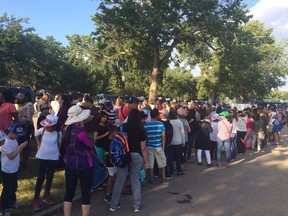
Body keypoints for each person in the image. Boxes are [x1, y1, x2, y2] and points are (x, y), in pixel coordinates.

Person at [110, 109, 148, 213]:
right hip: (136, 155)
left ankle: (113, 205)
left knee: (119, 180)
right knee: (135, 180)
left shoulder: (123, 127)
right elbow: (143, 148)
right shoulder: (141, 130)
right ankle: (136, 205)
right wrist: (145, 161)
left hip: (123, 155)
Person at [62, 105, 93, 216]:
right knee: (85, 193)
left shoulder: (65, 130)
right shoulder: (81, 133)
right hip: (84, 164)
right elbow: (89, 146)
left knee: (69, 193)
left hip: (70, 164)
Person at [33, 115, 62, 211]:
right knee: (40, 177)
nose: (46, 127)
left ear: (54, 126)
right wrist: (39, 144)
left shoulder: (58, 133)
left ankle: (46, 195)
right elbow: (36, 135)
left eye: (48, 126)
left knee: (50, 176)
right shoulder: (42, 130)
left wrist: (58, 153)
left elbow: (59, 144)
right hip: (42, 157)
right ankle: (36, 198)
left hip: (53, 157)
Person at [0, 124, 28, 216]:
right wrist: (21, 147)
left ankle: (12, 202)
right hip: (7, 170)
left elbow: (16, 154)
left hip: (14, 169)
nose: (18, 136)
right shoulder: (5, 143)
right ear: (11, 133)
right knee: (7, 189)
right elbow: (11, 156)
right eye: (17, 134)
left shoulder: (14, 140)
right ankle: (3, 208)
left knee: (13, 187)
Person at [144, 109, 168, 184]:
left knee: (150, 163)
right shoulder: (161, 124)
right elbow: (163, 136)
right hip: (158, 146)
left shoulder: (146, 125)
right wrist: (163, 146)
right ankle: (163, 178)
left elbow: (145, 137)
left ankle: (151, 179)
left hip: (149, 146)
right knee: (162, 162)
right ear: (157, 115)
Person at [17, 91, 34, 169]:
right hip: (20, 125)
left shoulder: (29, 105)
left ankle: (25, 162)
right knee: (19, 142)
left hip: (26, 126)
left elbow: (28, 118)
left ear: (26, 97)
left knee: (25, 143)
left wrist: (25, 130)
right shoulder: (21, 105)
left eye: (22, 96)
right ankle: (20, 160)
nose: (21, 97)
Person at [103, 125, 119, 204]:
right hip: (110, 162)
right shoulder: (107, 141)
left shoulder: (115, 140)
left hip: (115, 161)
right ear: (112, 132)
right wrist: (112, 153)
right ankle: (108, 194)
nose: (117, 134)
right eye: (115, 132)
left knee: (114, 176)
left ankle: (112, 191)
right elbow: (105, 152)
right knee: (111, 177)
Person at [169, 108, 185, 175]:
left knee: (170, 157)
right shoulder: (179, 122)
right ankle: (179, 170)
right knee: (178, 157)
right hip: (178, 141)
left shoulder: (169, 121)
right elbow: (182, 132)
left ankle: (171, 170)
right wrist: (183, 141)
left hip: (170, 142)